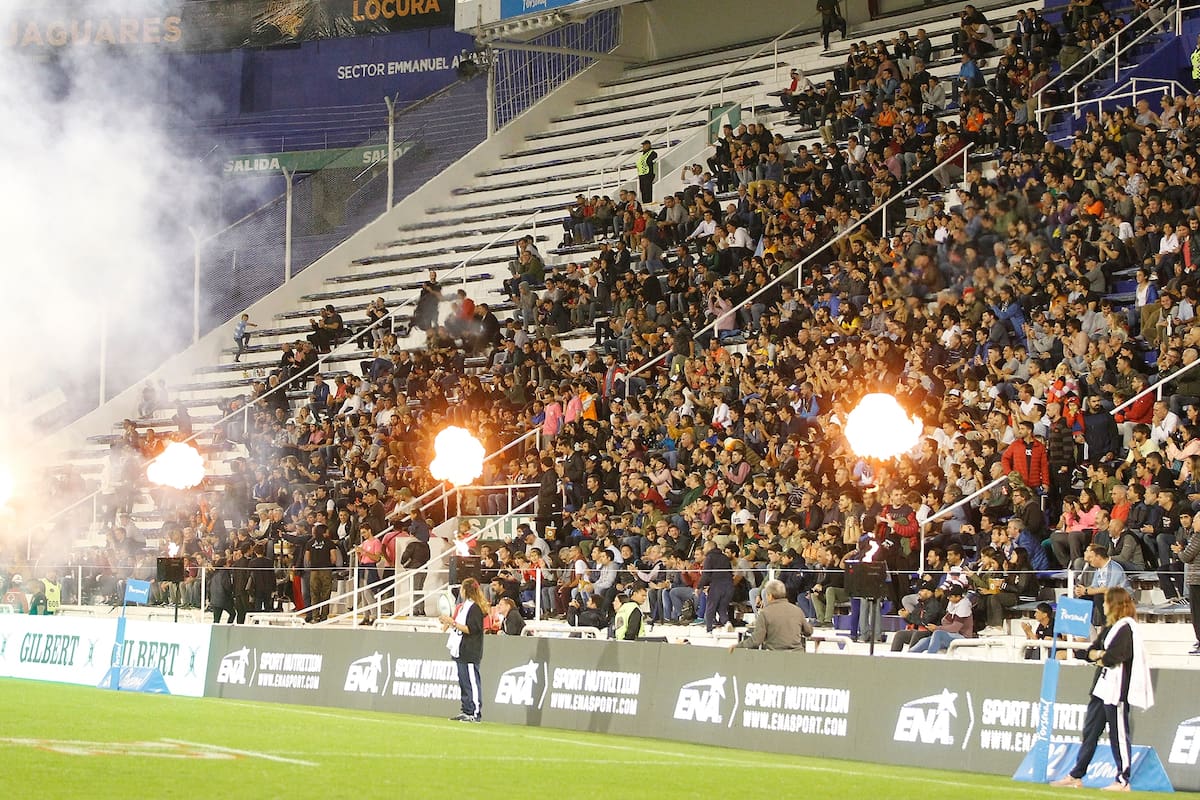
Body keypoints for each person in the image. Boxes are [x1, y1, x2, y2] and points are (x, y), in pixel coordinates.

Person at [1051, 587, 1153, 790]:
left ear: (1115, 604)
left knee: (1118, 735)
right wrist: (1099, 655)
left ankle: (1123, 780)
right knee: (1090, 731)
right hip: (1101, 687)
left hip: (1117, 689)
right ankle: (1076, 775)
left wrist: (1101, 656)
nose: (1103, 605)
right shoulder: (1110, 627)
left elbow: (1115, 656)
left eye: (1106, 602)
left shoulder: (1126, 628)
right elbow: (1091, 651)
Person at [440, 576, 489, 723]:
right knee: (464, 682)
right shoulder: (464, 607)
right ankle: (466, 710)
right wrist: (449, 622)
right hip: (461, 649)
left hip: (470, 650)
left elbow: (471, 629)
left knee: (472, 682)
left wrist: (453, 622)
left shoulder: (474, 608)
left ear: (465, 590)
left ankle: (475, 712)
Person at [733, 579, 812, 651]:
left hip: (775, 656)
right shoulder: (797, 610)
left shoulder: (765, 613)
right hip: (797, 655)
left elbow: (756, 640)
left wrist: (738, 646)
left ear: (770, 596)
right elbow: (808, 631)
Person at [907, 583, 975, 653]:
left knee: (938, 634)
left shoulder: (964, 605)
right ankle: (910, 654)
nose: (948, 598)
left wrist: (937, 628)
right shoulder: (953, 602)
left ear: (958, 597)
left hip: (963, 637)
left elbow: (955, 628)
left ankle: (930, 655)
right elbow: (945, 621)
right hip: (951, 635)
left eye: (950, 596)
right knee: (925, 640)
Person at [1073, 544, 1130, 625]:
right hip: (1105, 594)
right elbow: (1094, 586)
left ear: (1098, 557)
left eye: (1091, 558)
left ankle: (1107, 625)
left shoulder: (1114, 568)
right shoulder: (1099, 568)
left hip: (1121, 596)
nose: (1089, 561)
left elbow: (1108, 589)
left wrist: (1085, 591)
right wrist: (1081, 590)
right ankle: (1083, 625)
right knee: (1083, 597)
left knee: (1099, 597)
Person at [1173, 512, 1200, 654]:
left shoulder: (1197, 537)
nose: (1193, 524)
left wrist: (1179, 551)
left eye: (1195, 521)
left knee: (1197, 613)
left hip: (1197, 580)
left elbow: (1186, 557)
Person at [698, 540, 733, 632]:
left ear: (710, 547)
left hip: (717, 586)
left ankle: (709, 629)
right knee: (722, 607)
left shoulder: (709, 558)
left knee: (710, 607)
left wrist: (699, 587)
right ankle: (727, 622)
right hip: (729, 586)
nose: (703, 550)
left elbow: (706, 575)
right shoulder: (725, 557)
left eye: (704, 547)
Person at [635, 140, 658, 205]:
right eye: (643, 145)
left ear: (649, 145)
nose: (643, 146)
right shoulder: (643, 154)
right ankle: (645, 203)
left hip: (648, 173)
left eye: (645, 145)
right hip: (642, 174)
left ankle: (648, 202)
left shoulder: (652, 153)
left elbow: (650, 161)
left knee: (647, 189)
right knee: (642, 189)